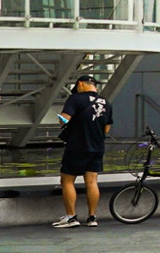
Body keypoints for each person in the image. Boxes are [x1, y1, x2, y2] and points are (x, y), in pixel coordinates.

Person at [53, 75, 112, 229]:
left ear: (80, 84)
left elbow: (64, 120)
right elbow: (107, 127)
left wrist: (61, 117)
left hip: (77, 146)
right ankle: (92, 217)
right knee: (92, 181)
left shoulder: (75, 99)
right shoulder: (106, 102)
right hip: (97, 147)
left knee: (67, 180)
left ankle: (71, 217)